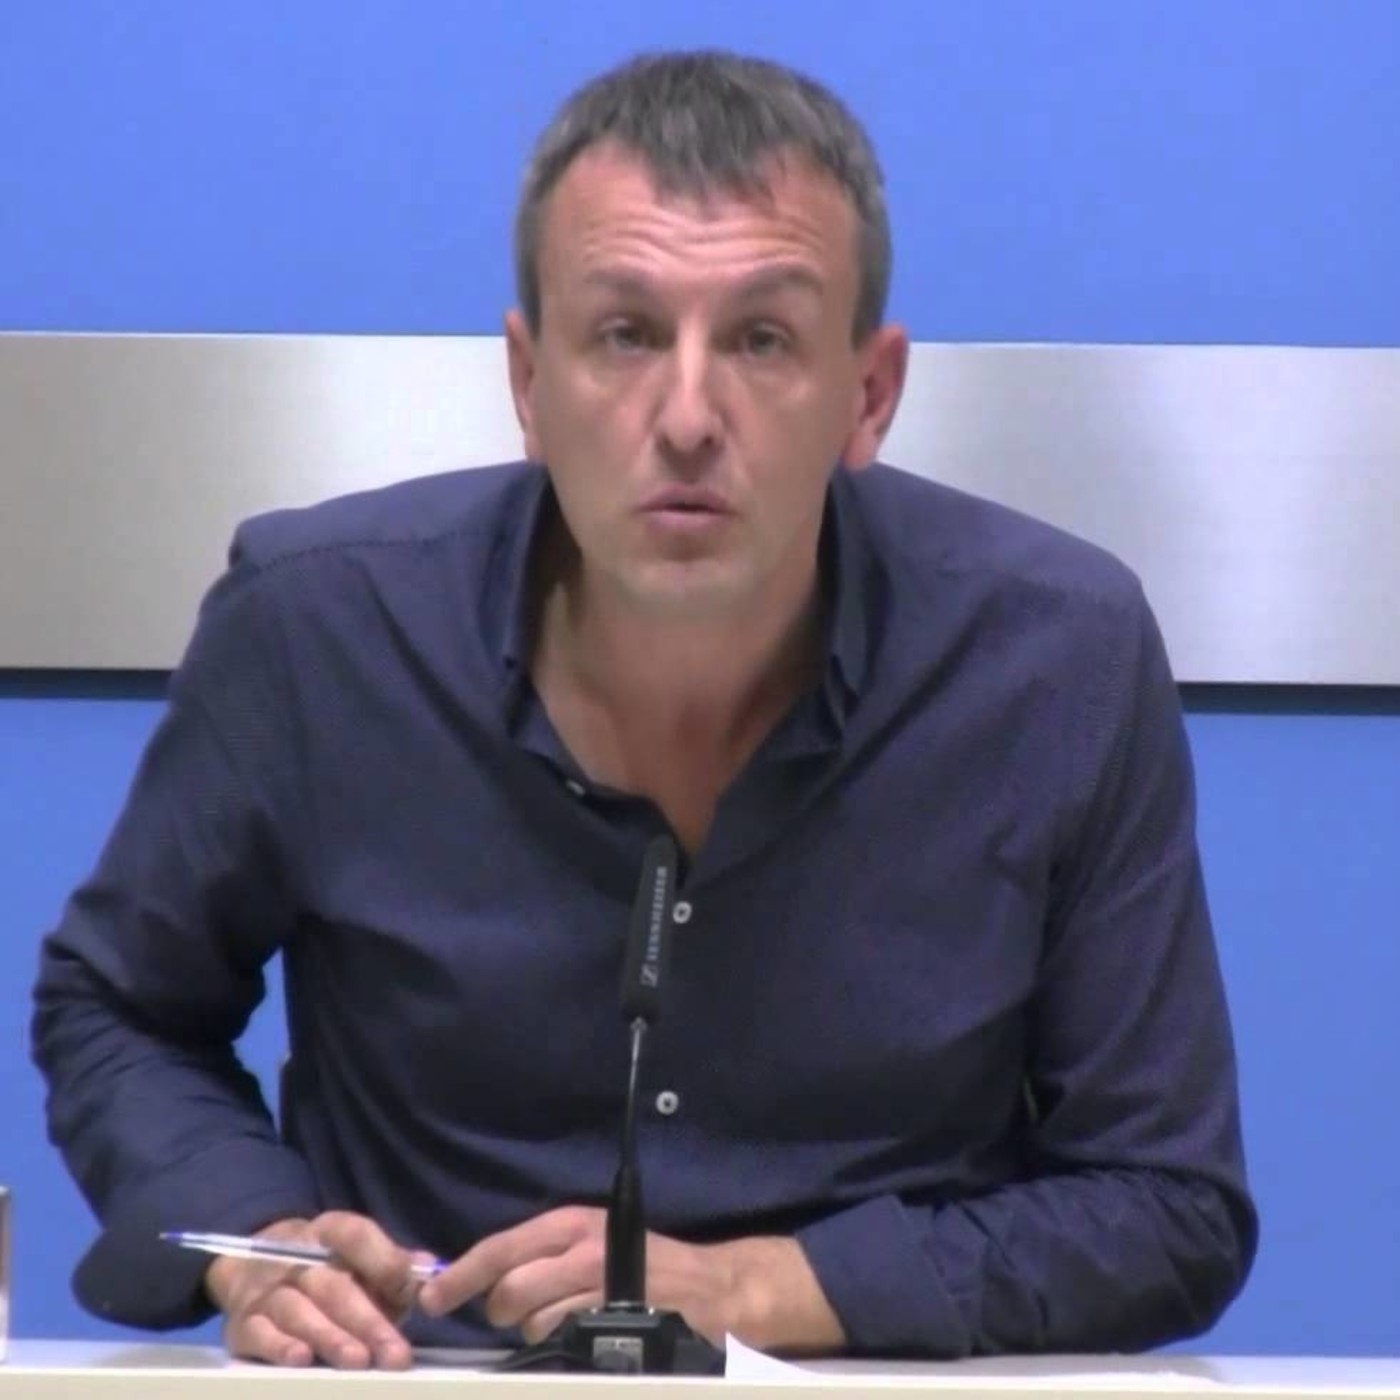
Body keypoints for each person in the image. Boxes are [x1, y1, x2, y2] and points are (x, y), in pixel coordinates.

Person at [31, 49, 1256, 1369]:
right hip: (425, 1376)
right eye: (624, 334)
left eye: (762, 339)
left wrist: (769, 1286)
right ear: (527, 382)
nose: (686, 417)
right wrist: (257, 1237)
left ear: (869, 395)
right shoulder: (315, 629)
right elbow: (119, 1008)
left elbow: (1166, 1204)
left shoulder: (1055, 661)